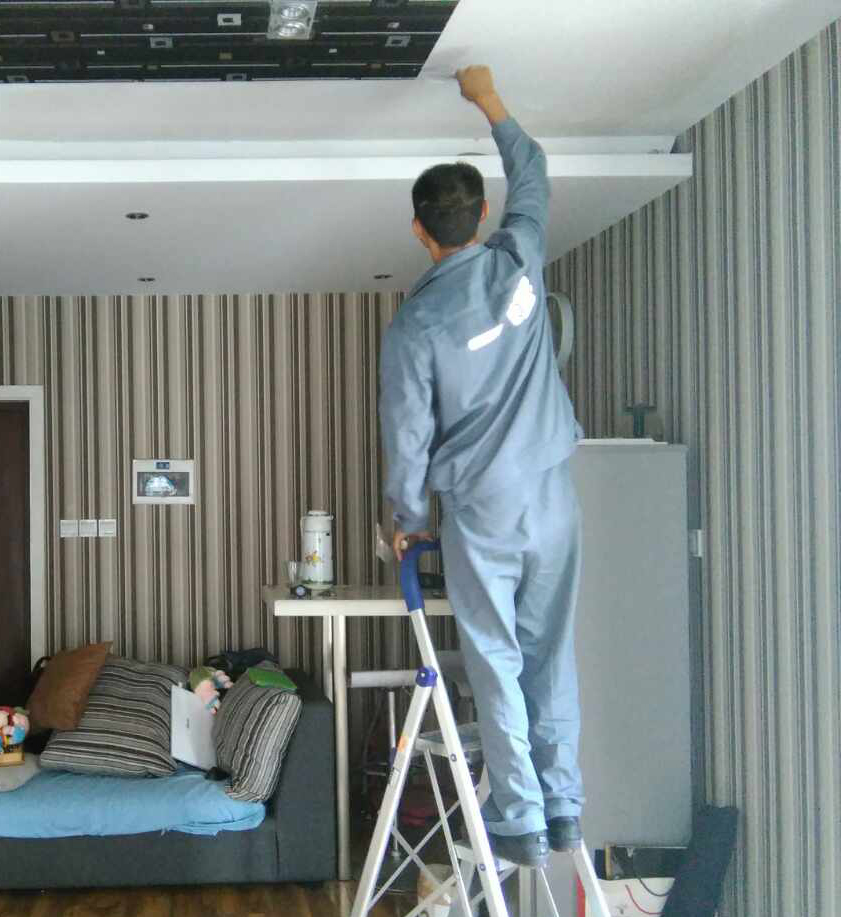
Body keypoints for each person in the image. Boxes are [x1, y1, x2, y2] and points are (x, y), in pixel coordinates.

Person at [379, 65, 585, 868]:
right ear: (482, 215)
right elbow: (533, 168)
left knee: (496, 658)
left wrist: (407, 522)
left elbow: (407, 436)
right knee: (550, 652)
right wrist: (488, 99)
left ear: (419, 230)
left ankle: (522, 818)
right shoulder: (519, 258)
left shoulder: (415, 325)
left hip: (482, 511)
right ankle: (562, 806)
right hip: (553, 494)